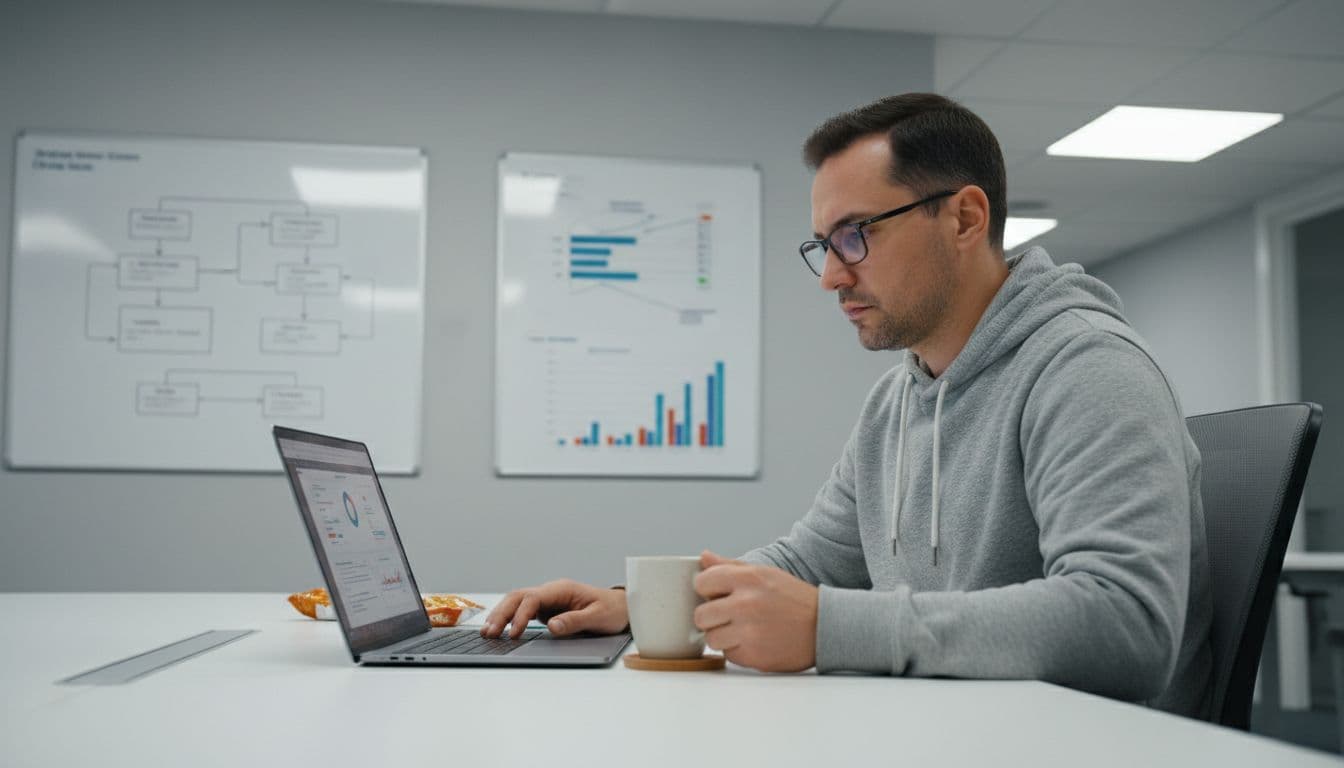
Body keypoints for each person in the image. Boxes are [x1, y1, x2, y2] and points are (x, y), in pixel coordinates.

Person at [481, 93, 1212, 718]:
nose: (831, 276)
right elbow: (811, 562)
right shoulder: (897, 398)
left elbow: (1127, 624)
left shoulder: (1087, 368)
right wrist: (647, 608)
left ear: (964, 218)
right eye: (824, 245)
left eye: (856, 236)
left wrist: (828, 629)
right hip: (952, 732)